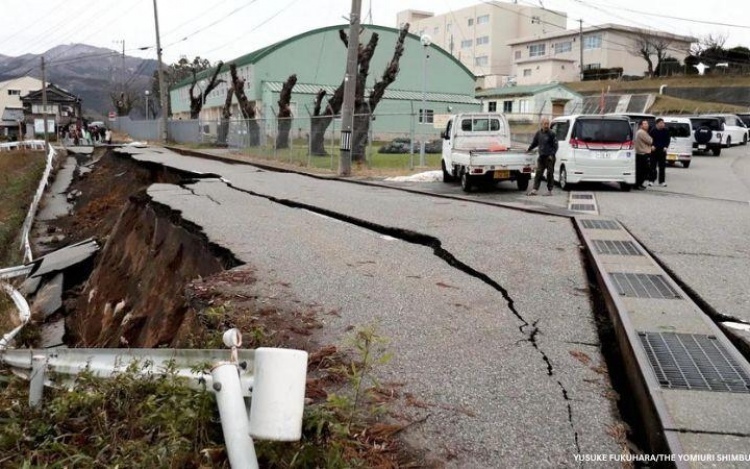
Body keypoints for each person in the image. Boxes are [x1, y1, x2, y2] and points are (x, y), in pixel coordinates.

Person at [526, 117, 558, 196]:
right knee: (538, 173)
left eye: (548, 124)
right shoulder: (538, 133)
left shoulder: (552, 134)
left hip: (549, 157)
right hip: (541, 157)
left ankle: (549, 190)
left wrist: (551, 154)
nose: (547, 125)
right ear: (541, 124)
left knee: (549, 174)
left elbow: (555, 146)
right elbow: (535, 143)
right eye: (545, 124)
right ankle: (535, 189)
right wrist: (529, 149)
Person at [649, 118, 670, 187]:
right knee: (652, 167)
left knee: (662, 167)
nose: (662, 124)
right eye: (661, 123)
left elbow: (668, 140)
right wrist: (651, 146)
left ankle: (662, 181)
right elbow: (649, 140)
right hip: (654, 151)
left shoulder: (666, 131)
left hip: (662, 151)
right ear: (657, 124)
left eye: (663, 123)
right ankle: (651, 180)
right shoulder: (653, 131)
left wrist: (666, 147)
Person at [634, 120, 654, 190]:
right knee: (643, 171)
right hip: (643, 154)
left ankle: (638, 184)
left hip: (640, 154)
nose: (647, 125)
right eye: (645, 124)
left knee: (641, 170)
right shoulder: (642, 132)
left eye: (647, 124)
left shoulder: (640, 132)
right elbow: (650, 141)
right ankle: (638, 184)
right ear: (641, 125)